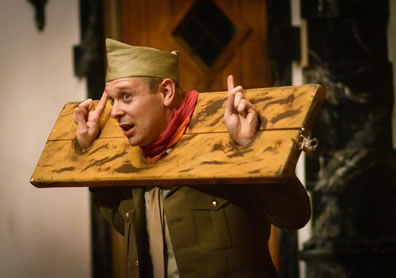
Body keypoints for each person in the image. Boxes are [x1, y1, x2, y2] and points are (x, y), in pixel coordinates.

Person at [74, 39, 311, 278]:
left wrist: (252, 149)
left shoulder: (229, 144)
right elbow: (122, 222)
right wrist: (90, 151)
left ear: (165, 92)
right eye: (112, 100)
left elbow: (295, 217)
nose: (114, 112)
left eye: (126, 96)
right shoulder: (132, 163)